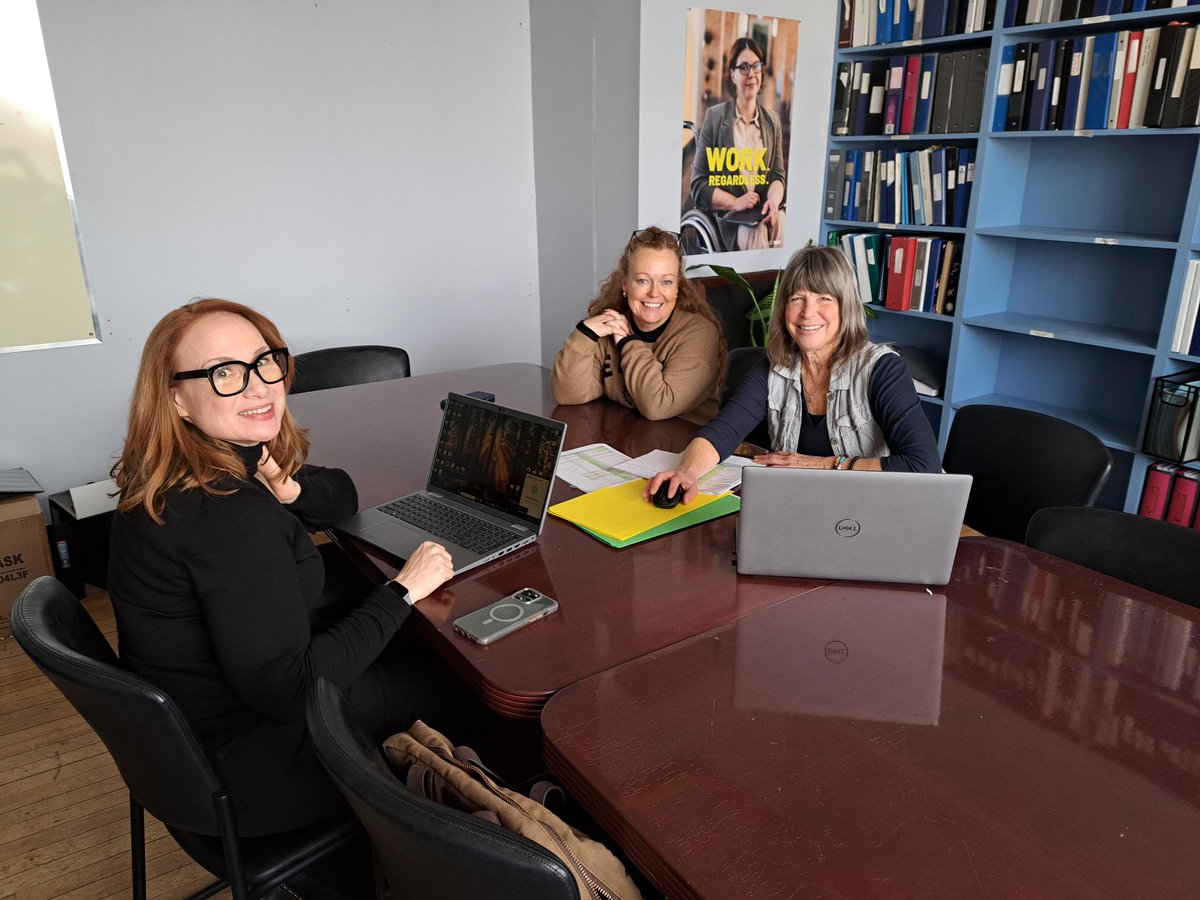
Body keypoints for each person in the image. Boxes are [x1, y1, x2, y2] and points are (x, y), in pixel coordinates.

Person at [107, 298, 472, 838]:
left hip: (195, 746)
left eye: (264, 361)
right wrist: (402, 589)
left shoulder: (188, 472)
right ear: (177, 400)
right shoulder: (226, 516)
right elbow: (291, 688)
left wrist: (288, 487)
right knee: (462, 682)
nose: (258, 386)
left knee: (415, 643)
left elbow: (343, 494)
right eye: (223, 373)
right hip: (253, 772)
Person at [646, 245, 941, 504]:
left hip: (871, 510)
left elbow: (922, 465)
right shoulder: (772, 367)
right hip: (802, 505)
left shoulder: (883, 370)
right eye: (797, 298)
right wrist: (687, 471)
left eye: (824, 298)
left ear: (845, 307)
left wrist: (821, 464)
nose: (807, 312)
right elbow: (723, 431)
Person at [551, 226, 726, 425]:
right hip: (627, 439)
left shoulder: (699, 334)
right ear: (625, 285)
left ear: (678, 286)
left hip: (683, 447)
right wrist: (585, 334)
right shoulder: (613, 324)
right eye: (643, 280)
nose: (654, 293)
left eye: (666, 282)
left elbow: (658, 406)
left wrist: (628, 343)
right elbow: (570, 395)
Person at [689, 37, 787, 251]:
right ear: (732, 74)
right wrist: (735, 202)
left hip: (761, 213)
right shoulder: (715, 118)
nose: (751, 74)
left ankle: (783, 283)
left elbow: (778, 175)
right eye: (743, 67)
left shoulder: (773, 121)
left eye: (756, 66)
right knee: (756, 232)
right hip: (732, 221)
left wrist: (773, 201)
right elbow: (698, 186)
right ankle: (764, 284)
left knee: (783, 222)